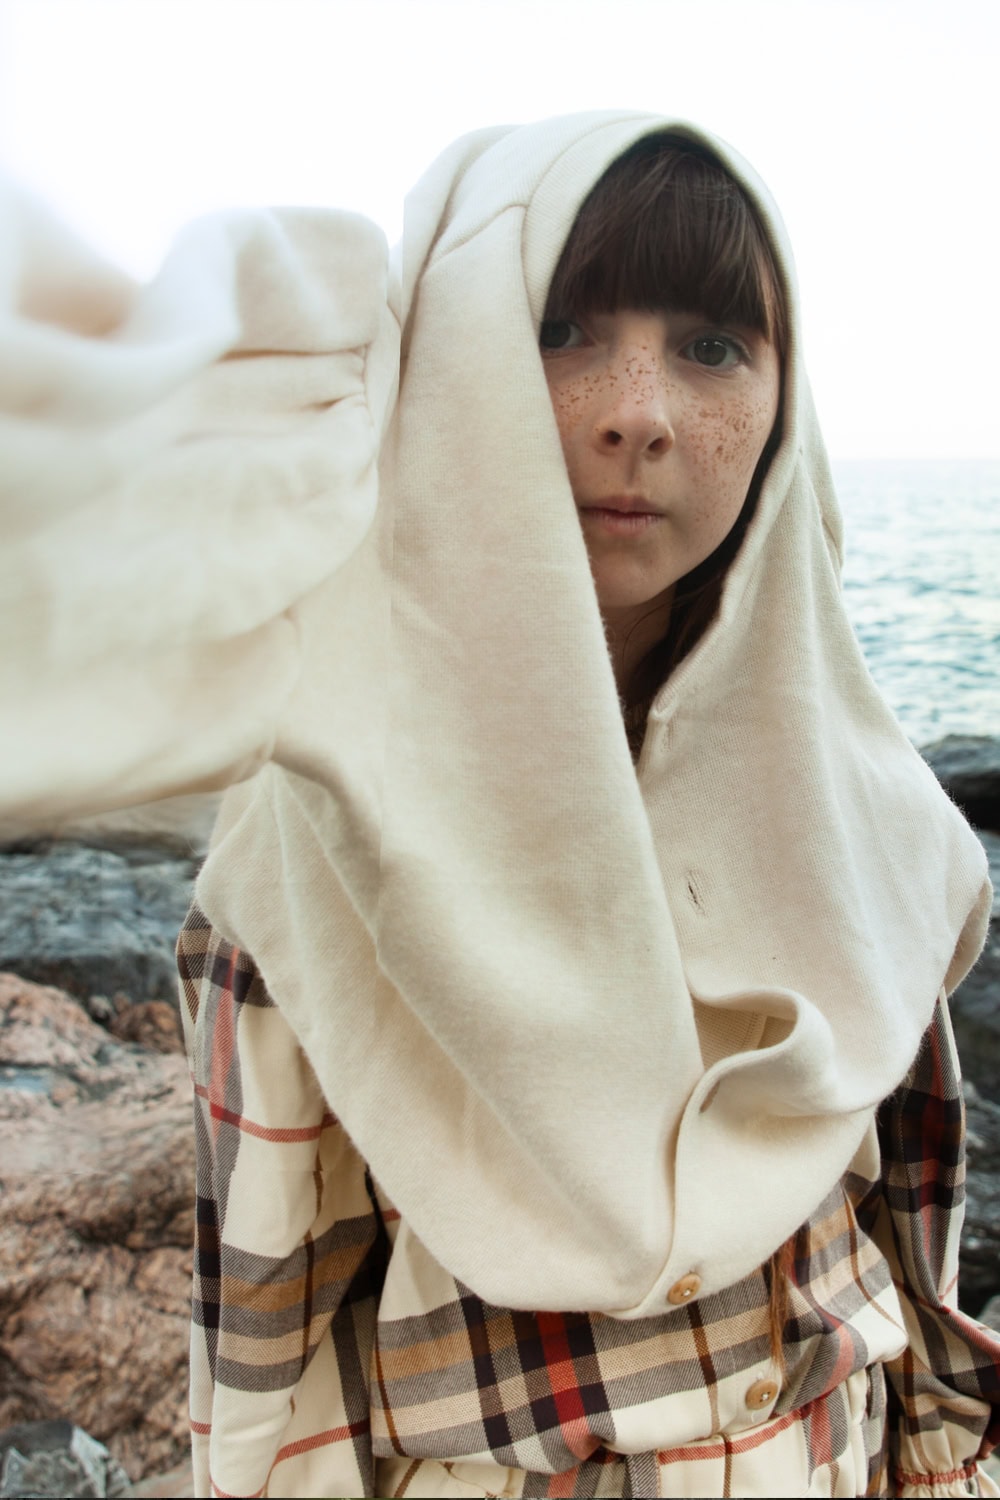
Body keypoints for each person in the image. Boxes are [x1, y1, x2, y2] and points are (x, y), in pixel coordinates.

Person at [3, 111, 998, 1497]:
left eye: (713, 345)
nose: (636, 411)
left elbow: (916, 1243)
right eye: (558, 329)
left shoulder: (856, 804)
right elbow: (270, 1334)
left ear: (786, 401)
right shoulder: (325, 836)